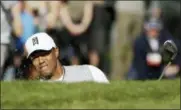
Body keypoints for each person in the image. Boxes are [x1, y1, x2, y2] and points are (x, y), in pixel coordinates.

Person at [24, 32, 109, 83]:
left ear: (56, 52)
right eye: (34, 57)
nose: (40, 60)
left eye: (44, 53)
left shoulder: (90, 72)